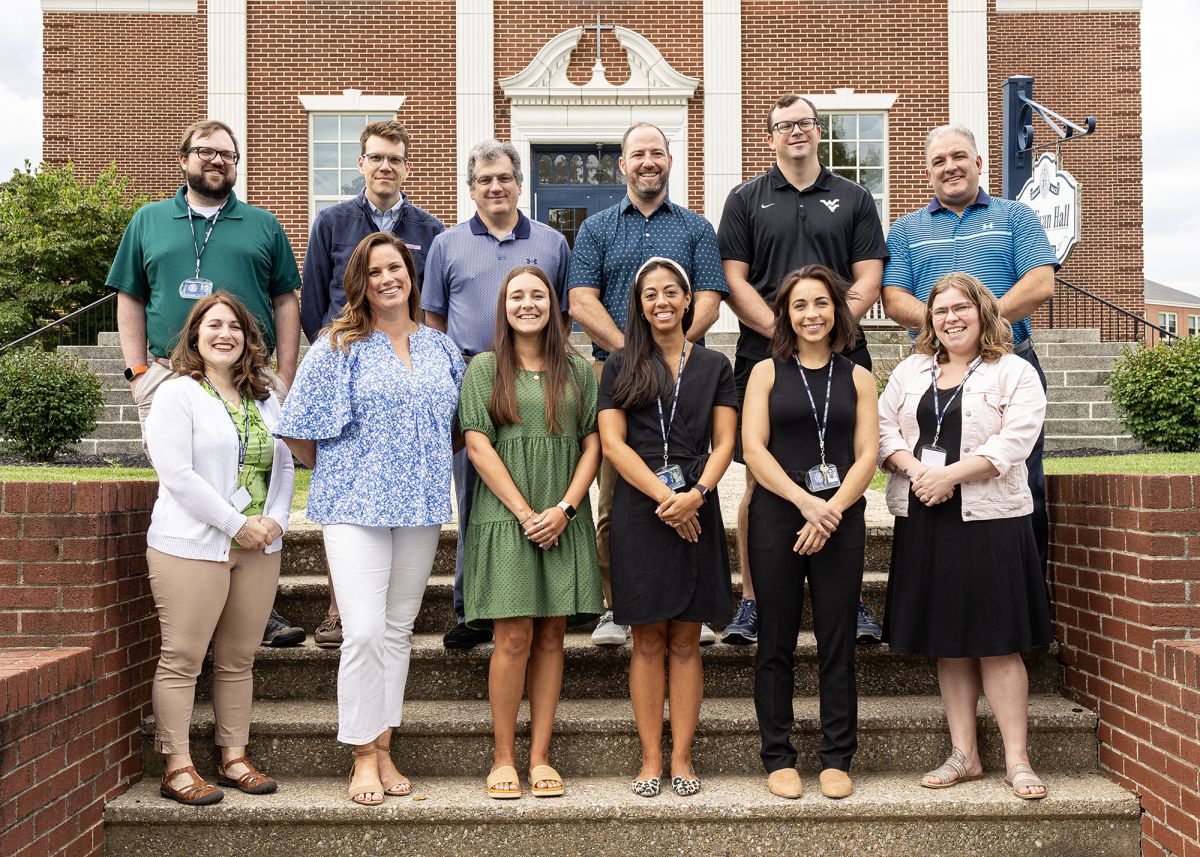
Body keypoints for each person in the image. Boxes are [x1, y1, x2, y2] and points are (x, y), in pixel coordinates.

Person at [275, 232, 464, 805]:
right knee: (361, 630)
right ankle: (360, 754)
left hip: (421, 506)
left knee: (399, 631)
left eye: (397, 268)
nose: (389, 278)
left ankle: (384, 745)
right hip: (355, 507)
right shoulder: (338, 345)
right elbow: (298, 432)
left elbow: (455, 429)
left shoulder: (441, 349)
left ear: (412, 275)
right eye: (376, 270)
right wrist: (350, 470)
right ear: (361, 280)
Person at [108, 117, 306, 648]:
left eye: (227, 154)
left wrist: (284, 375)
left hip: (249, 374)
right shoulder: (149, 220)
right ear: (183, 159)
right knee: (186, 480)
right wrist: (138, 372)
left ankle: (251, 608)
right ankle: (193, 596)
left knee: (251, 474)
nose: (216, 161)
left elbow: (287, 298)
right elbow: (129, 295)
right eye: (205, 152)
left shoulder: (262, 224)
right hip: (169, 373)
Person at [718, 94, 889, 646]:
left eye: (805, 124)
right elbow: (735, 281)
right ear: (769, 137)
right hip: (763, 354)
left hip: (842, 354)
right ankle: (752, 600)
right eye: (784, 125)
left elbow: (868, 277)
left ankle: (852, 597)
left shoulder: (854, 197)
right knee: (756, 477)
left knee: (847, 469)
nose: (796, 132)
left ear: (820, 133)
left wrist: (827, 329)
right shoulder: (745, 199)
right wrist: (787, 331)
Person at [878, 272, 1051, 800]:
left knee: (998, 643)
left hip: (992, 520)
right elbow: (884, 429)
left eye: (961, 308)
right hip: (926, 516)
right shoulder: (911, 370)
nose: (950, 318)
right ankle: (965, 755)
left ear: (982, 312)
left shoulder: (1014, 371)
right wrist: (917, 470)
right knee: (949, 644)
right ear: (928, 320)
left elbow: (1015, 441)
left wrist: (948, 475)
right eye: (940, 310)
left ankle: (1018, 761)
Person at [569, 122, 729, 648]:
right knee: (616, 493)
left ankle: (692, 602)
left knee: (691, 472)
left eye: (656, 153)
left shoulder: (695, 228)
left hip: (686, 368)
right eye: (637, 154)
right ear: (622, 164)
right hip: (616, 369)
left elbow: (708, 294)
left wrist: (673, 346)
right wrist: (632, 352)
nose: (647, 162)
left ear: (668, 160)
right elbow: (581, 301)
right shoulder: (596, 229)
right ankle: (619, 604)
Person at [881, 124, 1057, 573]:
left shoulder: (1016, 217)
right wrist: (949, 327)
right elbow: (895, 299)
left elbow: (1040, 283)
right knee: (932, 473)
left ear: (979, 163)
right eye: (938, 161)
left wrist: (977, 322)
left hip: (1007, 364)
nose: (950, 167)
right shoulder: (905, 230)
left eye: (958, 156)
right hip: (934, 373)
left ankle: (1025, 593)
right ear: (928, 173)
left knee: (1019, 480)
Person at [143, 291, 295, 805]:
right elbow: (178, 475)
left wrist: (275, 518)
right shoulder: (176, 394)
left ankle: (234, 757)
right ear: (195, 336)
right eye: (213, 325)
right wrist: (237, 524)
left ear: (248, 338)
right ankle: (177, 766)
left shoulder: (265, 395)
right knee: (183, 657)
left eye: (234, 325)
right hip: (190, 544)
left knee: (238, 658)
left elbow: (286, 462)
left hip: (259, 546)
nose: (224, 334)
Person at [458, 265, 603, 799]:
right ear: (503, 306)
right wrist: (524, 513)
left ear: (553, 305)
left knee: (551, 636)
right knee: (512, 636)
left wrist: (565, 507)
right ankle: (503, 757)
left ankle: (540, 756)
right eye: (516, 296)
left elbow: (593, 444)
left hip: (563, 514)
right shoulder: (484, 369)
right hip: (505, 515)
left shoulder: (579, 370)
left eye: (537, 295)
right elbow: (477, 445)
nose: (527, 304)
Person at [300, 119, 445, 650]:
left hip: (406, 369)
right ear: (361, 164)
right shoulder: (332, 222)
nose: (386, 167)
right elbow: (314, 300)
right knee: (349, 499)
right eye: (377, 157)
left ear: (407, 167)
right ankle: (341, 607)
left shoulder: (431, 232)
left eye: (396, 159)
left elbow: (430, 304)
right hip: (348, 368)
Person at [422, 139, 571, 651]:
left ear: (519, 184)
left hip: (537, 377)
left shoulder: (552, 243)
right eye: (485, 180)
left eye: (504, 177)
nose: (495, 187)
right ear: (471, 189)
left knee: (542, 480)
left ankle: (550, 597)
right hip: (471, 375)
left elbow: (563, 315)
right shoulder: (447, 244)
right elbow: (434, 318)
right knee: (475, 495)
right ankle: (472, 607)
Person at [597, 257, 737, 797]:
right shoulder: (619, 365)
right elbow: (613, 444)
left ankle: (682, 758)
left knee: (686, 640)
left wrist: (695, 495)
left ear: (687, 300)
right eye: (650, 293)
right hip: (642, 509)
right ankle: (650, 758)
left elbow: (725, 442)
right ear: (639, 304)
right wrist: (666, 498)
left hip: (698, 505)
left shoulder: (713, 366)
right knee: (647, 640)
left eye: (671, 291)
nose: (661, 301)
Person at [741, 265, 879, 801]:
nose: (812, 314)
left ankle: (837, 756)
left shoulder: (859, 376)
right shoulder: (766, 373)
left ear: (836, 310)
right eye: (800, 305)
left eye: (821, 303)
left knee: (837, 639)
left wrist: (832, 509)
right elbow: (754, 449)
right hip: (780, 516)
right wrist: (805, 502)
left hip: (840, 520)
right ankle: (777, 756)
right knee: (774, 638)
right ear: (786, 315)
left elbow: (867, 455)